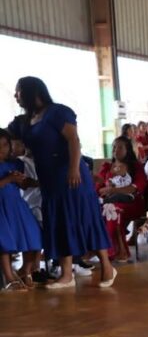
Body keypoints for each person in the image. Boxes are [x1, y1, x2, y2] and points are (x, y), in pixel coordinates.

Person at [8, 76, 115, 289]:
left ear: (32, 92)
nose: (15, 95)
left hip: (71, 175)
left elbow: (73, 140)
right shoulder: (25, 121)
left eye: (18, 91)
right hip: (49, 179)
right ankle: (67, 274)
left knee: (85, 218)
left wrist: (74, 169)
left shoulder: (57, 112)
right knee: (59, 222)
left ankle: (107, 266)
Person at [0, 128, 42, 291]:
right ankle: (9, 277)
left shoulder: (14, 163)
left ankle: (26, 269)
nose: (2, 149)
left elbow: (22, 184)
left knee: (33, 235)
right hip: (1, 208)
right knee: (5, 242)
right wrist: (9, 178)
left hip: (16, 205)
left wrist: (32, 182)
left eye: (4, 144)